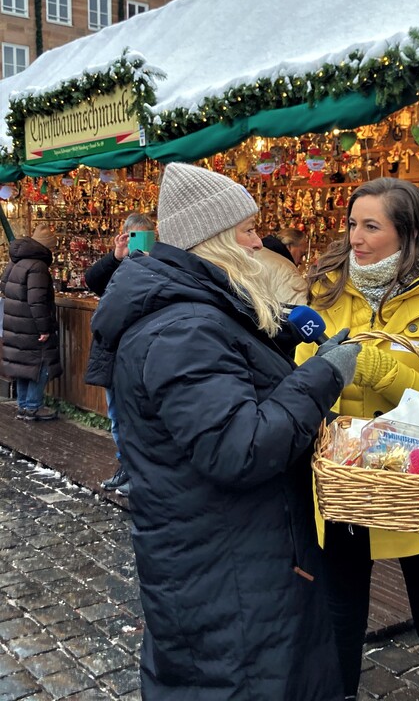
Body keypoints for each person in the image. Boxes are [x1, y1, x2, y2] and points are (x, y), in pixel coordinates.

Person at [88, 162, 360, 700]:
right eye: (248, 231)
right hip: (226, 568)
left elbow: (230, 395)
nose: (260, 242)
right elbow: (240, 447)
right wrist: (322, 377)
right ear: (214, 240)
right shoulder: (182, 327)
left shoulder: (195, 311)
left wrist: (279, 344)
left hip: (231, 555)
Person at [296, 177, 419, 701]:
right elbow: (303, 379)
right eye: (352, 223)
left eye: (371, 226)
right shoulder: (327, 289)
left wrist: (379, 368)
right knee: (341, 622)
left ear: (407, 232)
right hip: (346, 483)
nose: (356, 236)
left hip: (417, 488)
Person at [84, 212, 155, 497]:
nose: (139, 242)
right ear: (124, 235)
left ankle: (136, 472)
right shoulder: (118, 265)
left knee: (135, 418)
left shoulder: (158, 264)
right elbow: (92, 281)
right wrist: (116, 256)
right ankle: (126, 466)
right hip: (114, 354)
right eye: (133, 235)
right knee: (117, 416)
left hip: (140, 356)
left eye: (145, 235)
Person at [0, 223, 61, 421]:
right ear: (46, 247)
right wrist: (44, 328)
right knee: (39, 365)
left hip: (16, 324)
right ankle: (34, 406)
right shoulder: (38, 266)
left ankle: (23, 406)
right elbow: (37, 301)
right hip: (32, 326)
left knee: (22, 366)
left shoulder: (16, 261)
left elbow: (4, 285)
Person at [254, 227, 308, 308]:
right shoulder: (288, 271)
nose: (301, 261)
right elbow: (302, 309)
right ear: (289, 246)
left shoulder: (254, 253)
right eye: (301, 254)